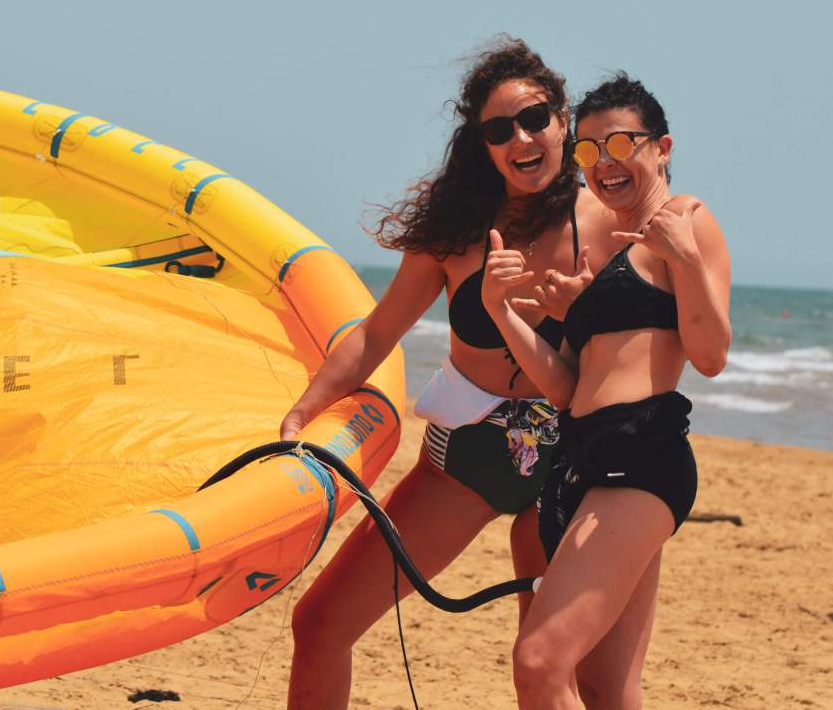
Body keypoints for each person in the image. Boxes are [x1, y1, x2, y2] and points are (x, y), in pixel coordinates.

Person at [279, 37, 618, 710]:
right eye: (500, 129)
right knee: (318, 624)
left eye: (536, 117)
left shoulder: (609, 224)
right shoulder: (457, 232)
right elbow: (376, 333)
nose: (521, 137)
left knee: (552, 671)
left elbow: (649, 358)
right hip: (465, 461)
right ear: (483, 145)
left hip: (570, 463)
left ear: (564, 122)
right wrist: (301, 413)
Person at [481, 74, 731, 709]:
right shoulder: (611, 255)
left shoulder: (685, 221)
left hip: (639, 461)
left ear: (662, 147)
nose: (603, 164)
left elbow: (711, 355)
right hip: (583, 464)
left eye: (619, 143)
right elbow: (566, 388)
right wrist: (503, 313)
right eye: (588, 151)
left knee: (539, 662)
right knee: (605, 687)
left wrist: (688, 261)